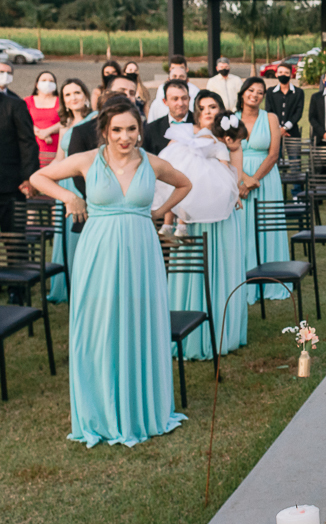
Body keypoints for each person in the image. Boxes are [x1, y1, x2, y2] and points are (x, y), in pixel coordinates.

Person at [29, 98, 192, 447]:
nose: (124, 136)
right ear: (104, 130)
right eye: (117, 129)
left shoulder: (151, 162)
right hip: (97, 253)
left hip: (142, 254)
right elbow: (38, 177)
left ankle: (139, 405)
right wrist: (68, 198)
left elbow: (184, 184)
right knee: (98, 325)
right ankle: (100, 409)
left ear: (140, 130)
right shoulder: (87, 159)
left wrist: (159, 211)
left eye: (131, 129)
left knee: (139, 321)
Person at [155, 90, 249, 358]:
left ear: (222, 111)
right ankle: (187, 329)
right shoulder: (184, 137)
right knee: (192, 270)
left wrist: (232, 189)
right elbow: (170, 170)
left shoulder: (227, 140)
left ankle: (221, 329)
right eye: (203, 107)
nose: (208, 111)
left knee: (221, 267)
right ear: (196, 112)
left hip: (221, 217)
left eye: (213, 106)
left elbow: (235, 174)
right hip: (190, 217)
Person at [237, 77, 290, 302]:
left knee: (267, 229)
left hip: (266, 180)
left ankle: (271, 281)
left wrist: (253, 180)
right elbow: (224, 152)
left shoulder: (270, 118)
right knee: (242, 229)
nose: (255, 95)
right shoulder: (231, 119)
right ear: (242, 93)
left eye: (260, 92)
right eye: (251, 90)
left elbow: (274, 154)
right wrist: (242, 179)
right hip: (237, 179)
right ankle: (243, 281)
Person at [47, 79, 94, 303]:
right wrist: (39, 177)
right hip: (64, 186)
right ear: (63, 101)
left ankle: (82, 283)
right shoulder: (64, 126)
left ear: (85, 95)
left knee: (81, 233)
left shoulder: (94, 121)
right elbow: (59, 159)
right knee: (65, 235)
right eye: (67, 94)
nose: (73, 97)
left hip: (81, 182)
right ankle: (64, 286)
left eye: (77, 92)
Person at [0, 72, 37, 231]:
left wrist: (28, 177)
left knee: (15, 238)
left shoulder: (15, 105)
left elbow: (27, 142)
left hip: (9, 185)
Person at [143, 79, 195, 156]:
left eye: (184, 98)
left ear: (189, 99)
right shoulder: (151, 130)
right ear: (165, 101)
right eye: (175, 99)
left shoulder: (199, 123)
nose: (180, 103)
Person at [146, 55, 200, 122]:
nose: (177, 79)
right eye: (174, 77)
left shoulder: (195, 91)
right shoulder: (157, 102)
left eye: (181, 77)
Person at [264, 63, 305, 139]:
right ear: (276, 74)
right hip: (274, 132)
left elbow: (298, 113)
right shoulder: (270, 91)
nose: (283, 75)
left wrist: (285, 128)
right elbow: (269, 111)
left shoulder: (298, 92)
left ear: (291, 75)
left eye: (286, 73)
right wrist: (279, 129)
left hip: (293, 133)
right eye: (280, 72)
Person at [26, 70, 62, 153]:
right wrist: (41, 134)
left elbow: (67, 120)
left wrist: (48, 131)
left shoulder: (61, 101)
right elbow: (22, 121)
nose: (47, 83)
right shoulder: (27, 101)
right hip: (31, 148)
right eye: (44, 80)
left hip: (57, 149)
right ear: (37, 84)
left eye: (51, 81)